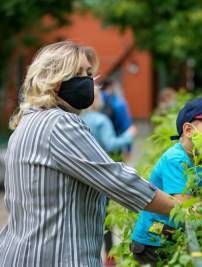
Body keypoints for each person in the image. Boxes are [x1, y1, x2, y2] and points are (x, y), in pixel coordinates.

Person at [0, 41, 176, 267]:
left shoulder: (25, 125)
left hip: (21, 255)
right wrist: (179, 209)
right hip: (58, 258)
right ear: (54, 79)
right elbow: (116, 179)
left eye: (89, 73)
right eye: (78, 73)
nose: (88, 80)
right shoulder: (60, 123)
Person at [130, 97, 202, 266]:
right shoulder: (175, 159)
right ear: (188, 130)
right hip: (152, 241)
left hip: (175, 236)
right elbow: (185, 206)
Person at [81, 86, 137, 265]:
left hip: (81, 176)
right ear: (97, 99)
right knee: (105, 219)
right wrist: (129, 136)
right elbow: (111, 144)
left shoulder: (78, 119)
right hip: (102, 176)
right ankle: (110, 258)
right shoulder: (101, 120)